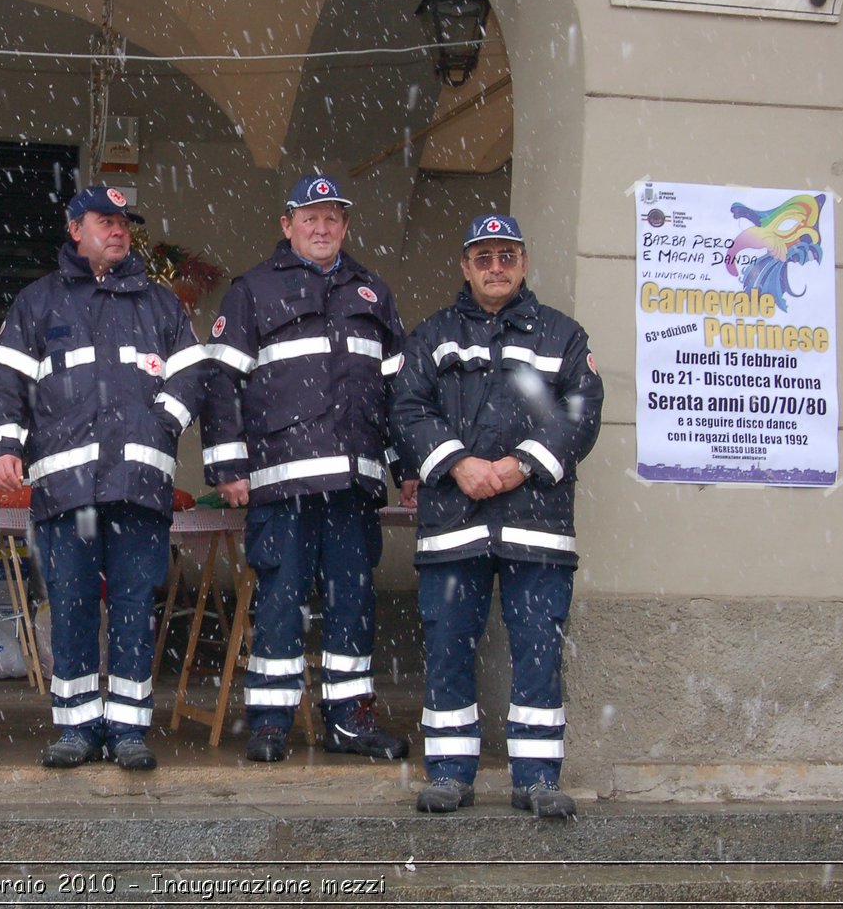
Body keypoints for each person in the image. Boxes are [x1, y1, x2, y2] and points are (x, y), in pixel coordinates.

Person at [0, 185, 210, 771]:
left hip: (139, 484)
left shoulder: (160, 306)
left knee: (135, 605)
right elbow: (6, 382)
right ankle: (77, 726)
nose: (118, 231)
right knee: (74, 603)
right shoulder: (38, 303)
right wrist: (4, 446)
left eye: (124, 223)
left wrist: (161, 424)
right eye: (105, 221)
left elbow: (192, 376)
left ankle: (131, 728)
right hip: (66, 489)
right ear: (74, 228)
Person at [391, 213, 603, 818]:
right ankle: (450, 772)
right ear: (465, 266)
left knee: (538, 650)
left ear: (524, 263)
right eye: (483, 258)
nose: (495, 267)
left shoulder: (563, 336)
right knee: (448, 648)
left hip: (536, 524)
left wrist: (519, 466)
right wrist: (458, 464)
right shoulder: (432, 335)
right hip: (454, 521)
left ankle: (537, 778)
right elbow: (406, 408)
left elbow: (581, 410)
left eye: (506, 256)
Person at [201, 173, 414, 764]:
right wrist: (227, 464)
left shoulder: (372, 291)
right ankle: (271, 722)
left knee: (354, 602)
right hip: (283, 480)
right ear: (287, 226)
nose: (322, 228)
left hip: (353, 484)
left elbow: (399, 393)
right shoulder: (253, 291)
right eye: (310, 217)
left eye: (332, 218)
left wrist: (409, 468)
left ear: (345, 226)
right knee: (280, 601)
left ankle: (348, 721)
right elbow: (223, 383)